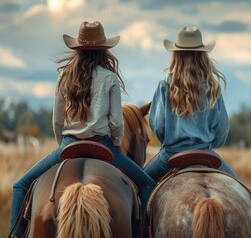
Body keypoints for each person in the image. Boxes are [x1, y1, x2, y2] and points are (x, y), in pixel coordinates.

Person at [9, 21, 155, 237]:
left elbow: (57, 121)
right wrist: (114, 143)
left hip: (69, 144)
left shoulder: (64, 76)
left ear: (77, 49)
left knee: (20, 186)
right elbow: (116, 122)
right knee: (146, 184)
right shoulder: (109, 78)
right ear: (104, 51)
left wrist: (63, 143)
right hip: (103, 144)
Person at [144, 26, 237, 181]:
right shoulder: (213, 87)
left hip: (171, 154)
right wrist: (207, 143)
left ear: (176, 55)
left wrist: (170, 141)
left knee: (142, 185)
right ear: (202, 55)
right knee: (241, 188)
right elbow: (222, 130)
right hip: (206, 153)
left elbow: (158, 126)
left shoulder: (165, 86)